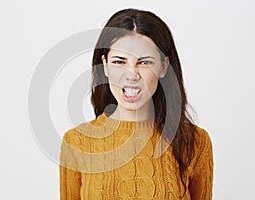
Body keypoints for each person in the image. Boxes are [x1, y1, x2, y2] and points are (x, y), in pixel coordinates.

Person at [60, 8, 213, 200]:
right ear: (105, 65)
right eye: (119, 61)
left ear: (164, 67)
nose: (132, 74)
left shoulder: (196, 142)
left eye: (144, 62)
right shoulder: (76, 142)